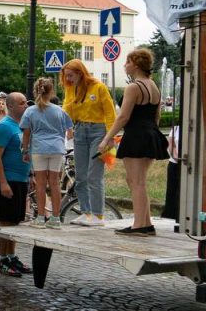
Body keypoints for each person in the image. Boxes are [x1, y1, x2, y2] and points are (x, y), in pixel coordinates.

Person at [100, 49, 170, 236]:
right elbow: (157, 115)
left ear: (136, 65)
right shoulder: (153, 85)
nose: (125, 65)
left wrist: (108, 138)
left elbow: (123, 116)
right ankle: (145, 223)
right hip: (150, 134)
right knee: (138, 181)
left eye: (127, 62)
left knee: (136, 181)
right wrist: (151, 134)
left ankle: (140, 225)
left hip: (137, 135)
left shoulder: (133, 87)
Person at [62, 59, 116, 227]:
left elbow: (109, 112)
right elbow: (67, 109)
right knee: (80, 176)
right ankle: (86, 212)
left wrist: (110, 137)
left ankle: (98, 216)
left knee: (94, 175)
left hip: (98, 131)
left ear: (80, 72)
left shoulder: (99, 87)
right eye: (66, 76)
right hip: (80, 131)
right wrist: (68, 125)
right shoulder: (71, 88)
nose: (68, 79)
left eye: (71, 75)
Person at [20, 77, 73, 229]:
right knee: (55, 184)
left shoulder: (30, 111)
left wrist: (25, 150)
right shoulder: (59, 110)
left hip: (39, 149)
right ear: (51, 92)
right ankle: (56, 219)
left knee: (41, 184)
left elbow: (26, 134)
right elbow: (69, 131)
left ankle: (41, 217)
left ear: (36, 91)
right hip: (57, 149)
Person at [0, 92, 32, 277]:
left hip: (21, 179)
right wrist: (3, 182)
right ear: (12, 106)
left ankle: (12, 256)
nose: (26, 105)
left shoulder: (22, 126)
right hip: (8, 179)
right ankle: (3, 260)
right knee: (6, 220)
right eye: (22, 103)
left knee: (15, 221)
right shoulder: (4, 127)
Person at [163, 123, 180, 221]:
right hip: (175, 163)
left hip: (188, 164)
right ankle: (171, 214)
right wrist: (177, 158)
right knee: (172, 190)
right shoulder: (176, 128)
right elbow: (171, 144)